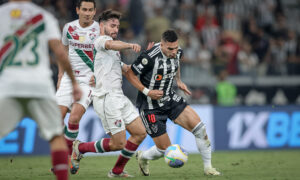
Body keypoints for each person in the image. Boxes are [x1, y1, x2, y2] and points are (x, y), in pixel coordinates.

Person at [0, 1, 82, 180]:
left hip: (8, 85)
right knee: (56, 137)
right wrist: (74, 84)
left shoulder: (2, 14)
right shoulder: (44, 16)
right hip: (39, 84)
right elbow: (60, 53)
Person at [125, 29, 221, 176]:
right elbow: (130, 74)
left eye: (176, 48)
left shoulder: (178, 51)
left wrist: (178, 80)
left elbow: (176, 64)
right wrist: (147, 92)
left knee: (200, 129)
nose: (174, 51)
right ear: (161, 45)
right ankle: (143, 157)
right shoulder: (149, 57)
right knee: (165, 150)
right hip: (150, 107)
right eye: (170, 49)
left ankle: (208, 168)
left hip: (170, 99)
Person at [70, 9, 147, 178]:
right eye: (112, 25)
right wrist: (129, 44)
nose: (115, 29)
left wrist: (146, 58)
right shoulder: (101, 41)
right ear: (102, 25)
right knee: (118, 143)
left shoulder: (113, 50)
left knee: (140, 132)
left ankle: (116, 171)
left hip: (119, 97)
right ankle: (80, 148)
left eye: (117, 26)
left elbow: (126, 69)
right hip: (106, 98)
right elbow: (112, 44)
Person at [55, 0, 99, 171]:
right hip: (68, 78)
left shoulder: (99, 30)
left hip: (88, 81)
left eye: (90, 10)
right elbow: (63, 51)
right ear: (77, 10)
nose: (87, 13)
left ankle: (66, 158)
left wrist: (99, 74)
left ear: (95, 12)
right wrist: (60, 75)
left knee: (74, 118)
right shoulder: (68, 28)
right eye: (84, 9)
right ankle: (73, 146)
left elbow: (106, 54)